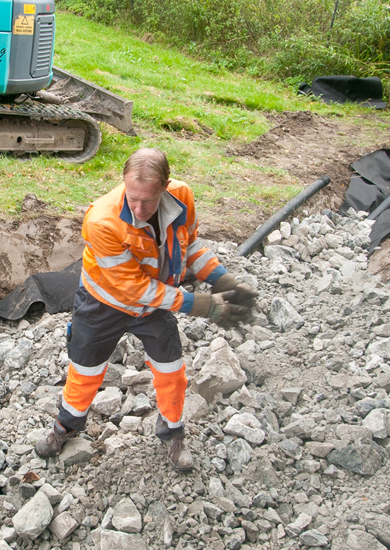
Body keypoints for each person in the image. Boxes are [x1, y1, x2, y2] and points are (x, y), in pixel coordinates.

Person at [35, 148, 258, 471]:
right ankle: (66, 426)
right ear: (123, 182)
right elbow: (134, 288)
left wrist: (223, 280)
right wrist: (204, 306)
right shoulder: (102, 221)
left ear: (165, 186)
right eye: (132, 197)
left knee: (172, 373)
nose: (138, 208)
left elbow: (190, 244)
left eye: (148, 200)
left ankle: (172, 431)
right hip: (104, 304)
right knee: (85, 372)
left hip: (156, 303)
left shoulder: (181, 197)